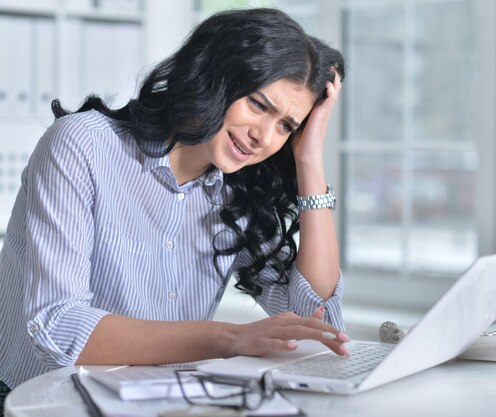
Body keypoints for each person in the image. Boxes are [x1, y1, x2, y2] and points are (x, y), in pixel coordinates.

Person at [0, 7, 348, 409]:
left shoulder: (239, 192)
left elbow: (318, 319)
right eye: (257, 105)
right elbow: (57, 327)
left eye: (286, 126)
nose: (263, 137)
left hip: (160, 405)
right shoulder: (83, 145)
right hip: (35, 403)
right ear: (214, 77)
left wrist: (309, 159)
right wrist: (226, 338)